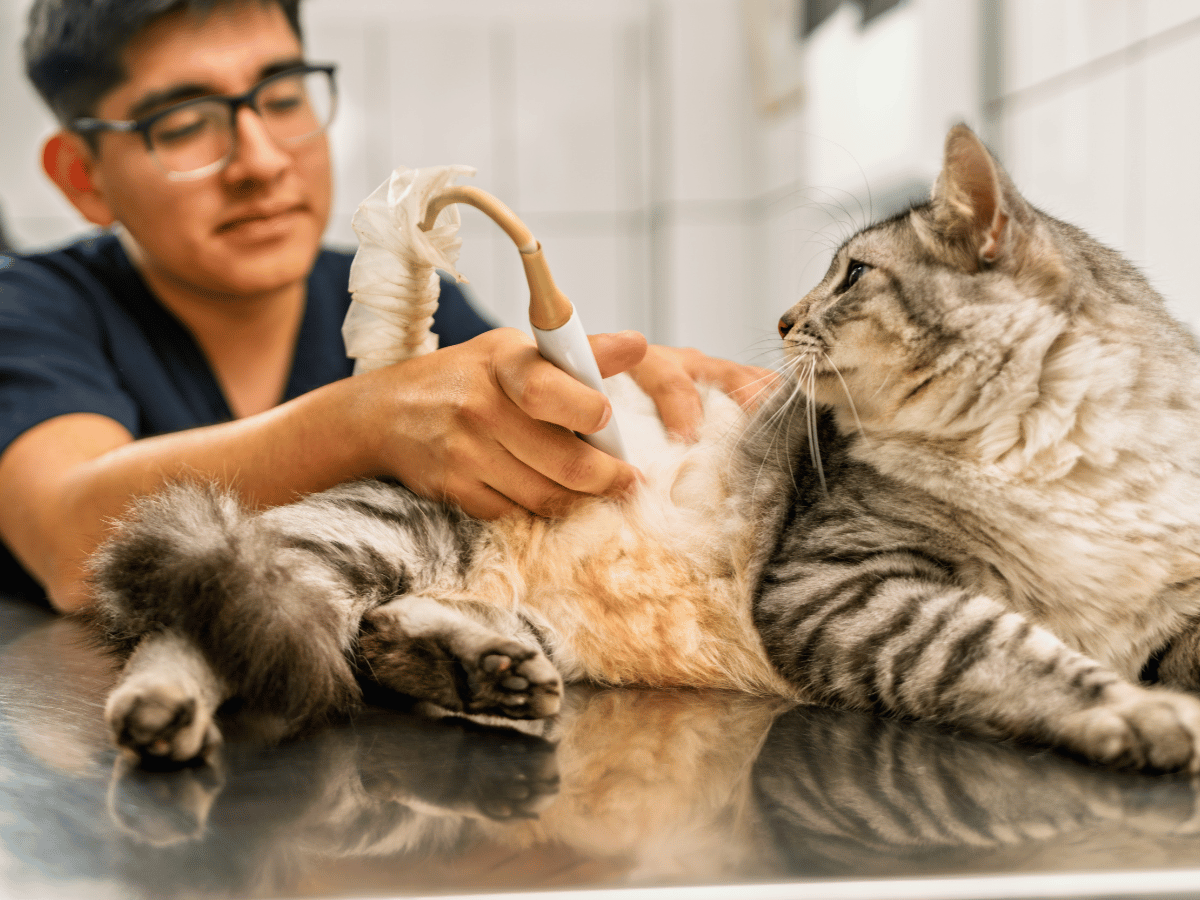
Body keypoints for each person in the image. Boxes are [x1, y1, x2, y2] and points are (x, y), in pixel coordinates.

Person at [0, 0, 769, 614]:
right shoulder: (35, 308)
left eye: (283, 96)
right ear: (82, 176)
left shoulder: (393, 293)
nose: (263, 162)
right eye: (184, 124)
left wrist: (616, 411)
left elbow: (511, 442)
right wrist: (370, 420)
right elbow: (73, 543)